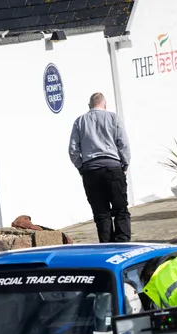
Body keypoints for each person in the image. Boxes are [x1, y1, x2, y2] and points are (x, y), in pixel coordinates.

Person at [68, 92, 132, 243]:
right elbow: (123, 144)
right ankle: (123, 243)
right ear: (105, 104)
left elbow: (73, 150)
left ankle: (107, 246)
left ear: (89, 105)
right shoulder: (113, 118)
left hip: (91, 171)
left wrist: (82, 167)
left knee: (101, 213)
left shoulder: (80, 121)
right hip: (113, 168)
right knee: (121, 209)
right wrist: (124, 164)